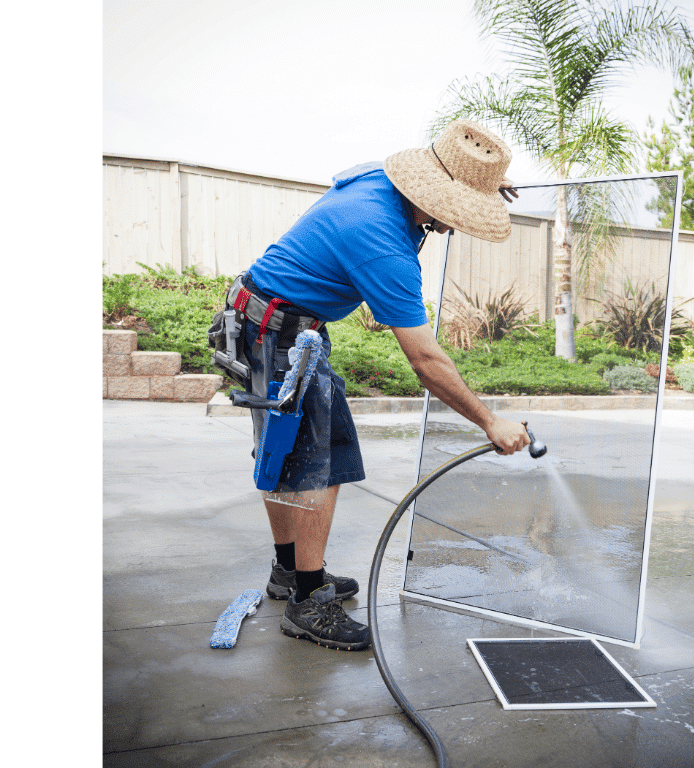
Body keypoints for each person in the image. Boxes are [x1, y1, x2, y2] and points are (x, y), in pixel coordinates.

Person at [215, 119, 530, 651]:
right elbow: (426, 360)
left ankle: (289, 573)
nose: (455, 226)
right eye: (456, 213)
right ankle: (308, 602)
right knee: (318, 463)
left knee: (286, 455)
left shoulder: (379, 181)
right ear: (435, 194)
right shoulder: (382, 241)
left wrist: (475, 185)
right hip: (278, 331)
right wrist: (490, 421)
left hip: (271, 321)